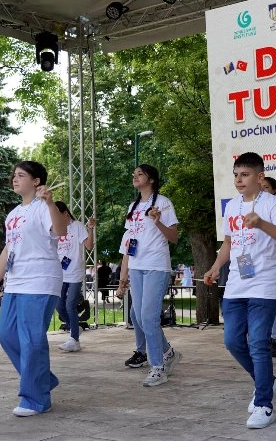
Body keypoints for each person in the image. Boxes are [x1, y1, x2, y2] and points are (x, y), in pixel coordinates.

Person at [204, 152, 276, 429]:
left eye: (244, 175)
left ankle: (264, 405)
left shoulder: (272, 204)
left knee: (258, 342)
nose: (238, 180)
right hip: (236, 285)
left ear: (260, 176)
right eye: (236, 175)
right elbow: (228, 243)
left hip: (264, 286)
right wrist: (215, 267)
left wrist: (262, 223)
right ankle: (265, 381)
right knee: (232, 341)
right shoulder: (232, 206)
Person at [0, 160, 67, 417]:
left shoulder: (44, 207)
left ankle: (37, 399)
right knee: (7, 335)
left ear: (36, 181)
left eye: (21, 175)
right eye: (14, 175)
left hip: (40, 279)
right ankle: (42, 379)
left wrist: (51, 203)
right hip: (15, 281)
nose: (14, 178)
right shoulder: (13, 214)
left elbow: (61, 230)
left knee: (31, 340)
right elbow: (7, 250)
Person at [116, 164, 182, 387]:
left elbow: (174, 237)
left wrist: (157, 221)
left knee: (148, 317)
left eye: (140, 174)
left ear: (151, 179)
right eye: (134, 173)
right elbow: (129, 243)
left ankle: (158, 367)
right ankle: (168, 353)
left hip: (156, 266)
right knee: (137, 316)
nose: (135, 176)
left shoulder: (163, 202)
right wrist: (123, 277)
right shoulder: (133, 206)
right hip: (136, 266)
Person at [55, 201, 95, 352]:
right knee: (59, 305)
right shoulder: (55, 228)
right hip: (60, 273)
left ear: (65, 213)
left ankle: (74, 340)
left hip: (75, 272)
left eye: (57, 216)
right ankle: (75, 328)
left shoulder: (77, 226)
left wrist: (90, 229)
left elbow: (89, 246)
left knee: (70, 304)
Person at [261, 176, 276, 358]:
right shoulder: (244, 207)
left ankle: (274, 338)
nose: (263, 190)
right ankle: (259, 337)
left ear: (274, 190)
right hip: (253, 260)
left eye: (266, 187)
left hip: (275, 259)